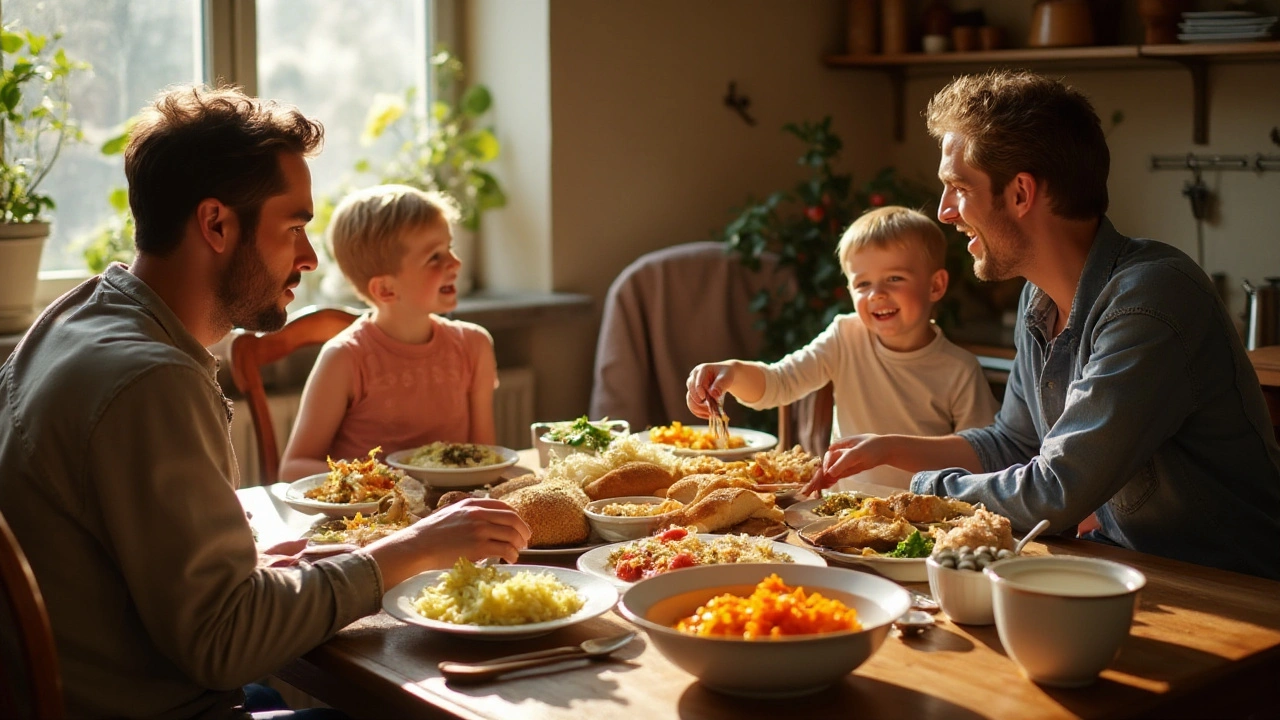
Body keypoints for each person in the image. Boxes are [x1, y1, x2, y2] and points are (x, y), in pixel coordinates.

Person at [0, 85, 531, 718]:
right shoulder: (149, 379)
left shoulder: (76, 319)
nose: (308, 259)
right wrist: (407, 549)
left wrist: (261, 565)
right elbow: (224, 642)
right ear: (217, 223)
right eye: (294, 227)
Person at [809, 70, 1280, 580]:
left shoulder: (1150, 300)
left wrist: (919, 491)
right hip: (1131, 566)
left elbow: (1056, 491)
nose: (945, 211)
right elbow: (1015, 443)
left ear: (1020, 194)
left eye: (958, 188)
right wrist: (891, 448)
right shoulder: (1041, 298)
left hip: (1230, 588)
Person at [686, 205, 1000, 490]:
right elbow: (779, 383)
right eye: (863, 284)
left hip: (927, 518)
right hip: (843, 511)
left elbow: (983, 458)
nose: (876, 293)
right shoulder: (845, 336)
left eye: (894, 278)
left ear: (935, 286)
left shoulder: (959, 369)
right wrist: (731, 372)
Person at [279, 184, 497, 481]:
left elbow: (485, 459)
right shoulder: (345, 358)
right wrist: (386, 479)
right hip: (372, 522)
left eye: (450, 248)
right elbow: (294, 468)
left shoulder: (475, 346)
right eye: (435, 256)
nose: (455, 264)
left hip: (452, 513)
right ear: (384, 289)